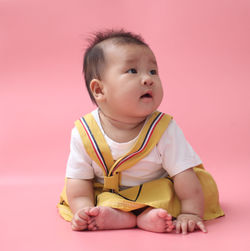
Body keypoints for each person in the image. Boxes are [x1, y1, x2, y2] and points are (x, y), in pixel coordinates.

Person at [58, 29, 224, 234]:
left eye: (153, 71)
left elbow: (183, 174)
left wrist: (190, 212)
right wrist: (84, 210)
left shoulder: (164, 129)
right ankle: (116, 216)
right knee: (78, 192)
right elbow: (79, 179)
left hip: (155, 191)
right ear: (100, 90)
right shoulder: (84, 132)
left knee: (170, 194)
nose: (148, 79)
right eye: (132, 71)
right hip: (109, 194)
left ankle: (144, 217)